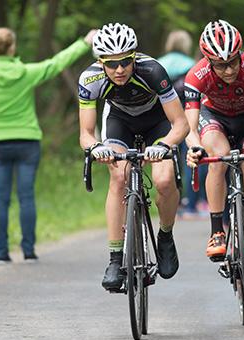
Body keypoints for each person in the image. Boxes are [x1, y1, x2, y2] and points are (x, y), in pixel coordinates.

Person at [0, 27, 96, 264]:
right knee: (26, 196)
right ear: (13, 47)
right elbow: (56, 64)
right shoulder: (26, 73)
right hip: (27, 142)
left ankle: (1, 254)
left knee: (1, 197)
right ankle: (28, 251)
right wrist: (84, 42)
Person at [78, 23, 189, 291]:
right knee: (120, 176)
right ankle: (115, 260)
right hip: (120, 122)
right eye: (112, 64)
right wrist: (95, 148)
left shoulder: (152, 70)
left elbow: (181, 124)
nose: (119, 70)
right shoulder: (89, 79)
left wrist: (164, 146)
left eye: (125, 62)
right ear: (100, 61)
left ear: (134, 57)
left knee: (163, 181)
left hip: (157, 124)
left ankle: (165, 236)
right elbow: (86, 133)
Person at [185, 20, 244, 292]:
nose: (228, 70)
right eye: (220, 65)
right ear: (208, 60)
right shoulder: (197, 75)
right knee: (220, 157)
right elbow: (189, 127)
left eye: (232, 62)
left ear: (240, 54)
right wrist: (194, 147)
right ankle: (218, 231)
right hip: (214, 118)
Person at [158, 30, 208, 219]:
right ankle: (193, 204)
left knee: (169, 159)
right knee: (192, 159)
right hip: (187, 118)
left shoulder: (159, 63)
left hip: (163, 119)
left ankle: (174, 202)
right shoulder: (191, 66)